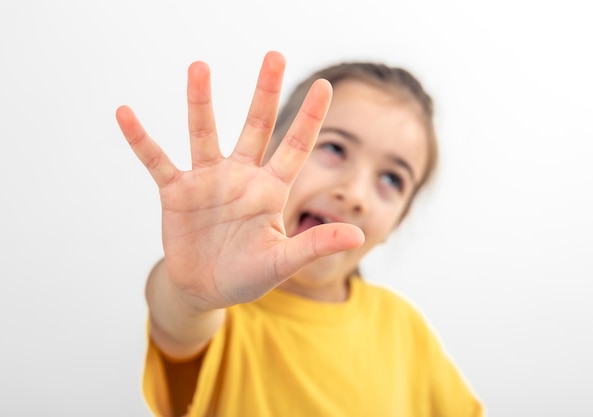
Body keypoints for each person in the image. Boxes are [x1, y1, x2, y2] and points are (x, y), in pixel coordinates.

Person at [116, 50, 483, 417]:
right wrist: (190, 293)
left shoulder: (404, 328)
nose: (355, 194)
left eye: (391, 179)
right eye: (335, 148)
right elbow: (176, 318)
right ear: (267, 156)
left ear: (397, 223)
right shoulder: (223, 316)